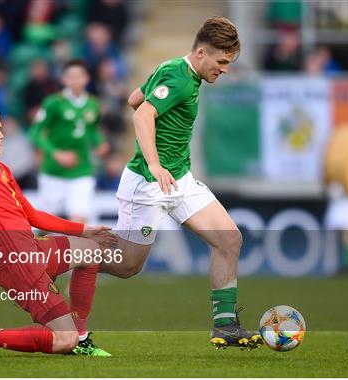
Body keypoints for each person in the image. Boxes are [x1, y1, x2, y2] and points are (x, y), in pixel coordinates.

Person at [99, 16, 263, 351]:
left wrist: (164, 157)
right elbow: (141, 114)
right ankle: (54, 253)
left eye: (229, 63)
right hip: (148, 181)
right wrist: (156, 164)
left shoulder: (174, 69)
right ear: (201, 53)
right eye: (221, 62)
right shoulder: (179, 77)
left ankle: (225, 326)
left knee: (229, 239)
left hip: (179, 179)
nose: (225, 69)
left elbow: (135, 98)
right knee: (127, 265)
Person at [0, 75, 113, 357]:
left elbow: (32, 215)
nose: (2, 135)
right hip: (14, 258)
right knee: (63, 340)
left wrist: (83, 231)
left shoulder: (1, 169)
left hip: (30, 249)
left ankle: (83, 338)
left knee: (92, 252)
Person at [29, 60, 109, 224]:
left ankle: (75, 250)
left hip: (82, 170)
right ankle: (35, 249)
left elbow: (92, 130)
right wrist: (56, 153)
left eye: (78, 76)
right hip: (54, 171)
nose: (75, 80)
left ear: (86, 79)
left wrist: (100, 142)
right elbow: (35, 133)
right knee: (45, 224)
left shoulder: (93, 104)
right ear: (64, 80)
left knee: (79, 221)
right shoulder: (53, 103)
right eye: (70, 77)